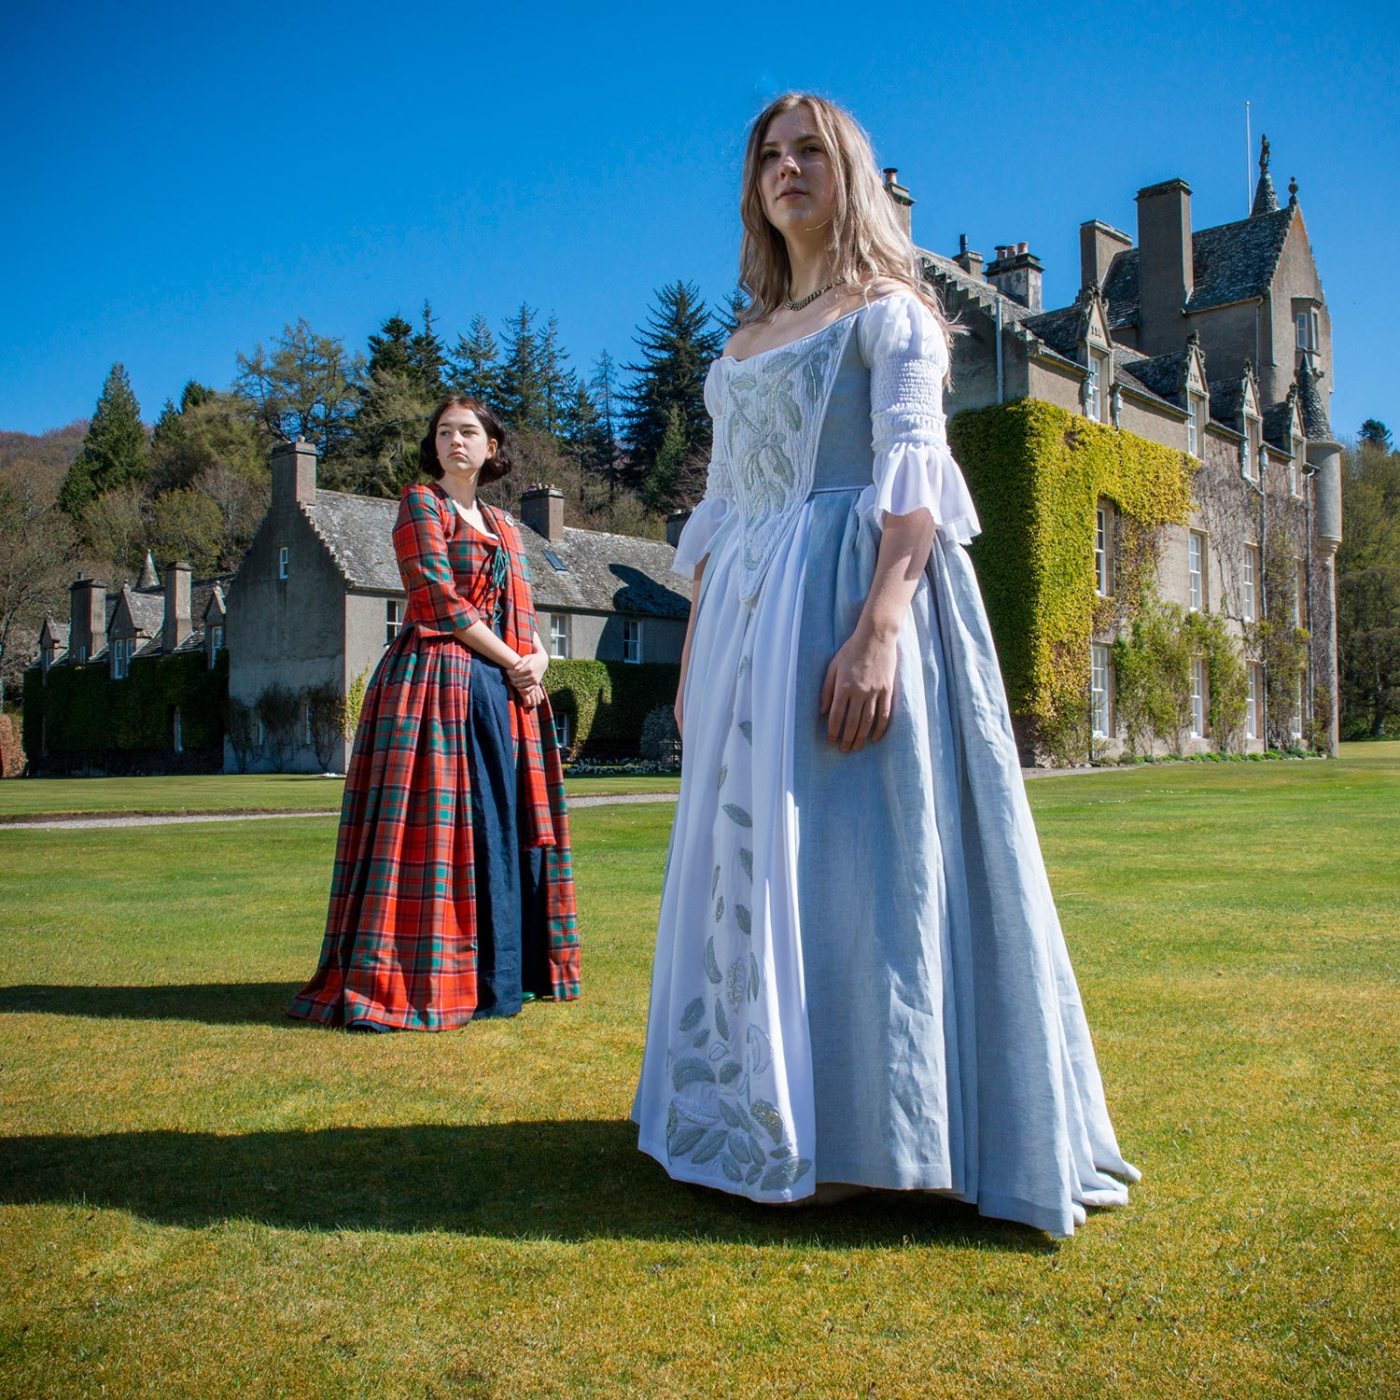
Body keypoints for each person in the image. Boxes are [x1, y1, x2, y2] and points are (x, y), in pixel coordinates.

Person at [631, 93, 1138, 1235]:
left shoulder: (894, 313)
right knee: (750, 864)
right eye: (768, 153)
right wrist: (698, 643)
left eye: (810, 150)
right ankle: (765, 1108)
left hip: (849, 598)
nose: (786, 167)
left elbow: (915, 487)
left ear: (847, 172)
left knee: (862, 864)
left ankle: (875, 1129)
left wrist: (877, 630)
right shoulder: (741, 342)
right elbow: (718, 511)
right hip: (746, 623)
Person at [289, 398, 579, 1031]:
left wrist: (539, 665)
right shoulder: (421, 504)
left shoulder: (504, 524)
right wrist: (514, 661)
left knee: (498, 824)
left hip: (499, 691)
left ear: (492, 448)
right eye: (445, 432)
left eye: (469, 432)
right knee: (440, 827)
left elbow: (524, 612)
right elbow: (435, 603)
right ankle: (424, 970)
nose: (456, 441)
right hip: (432, 685)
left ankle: (501, 976)